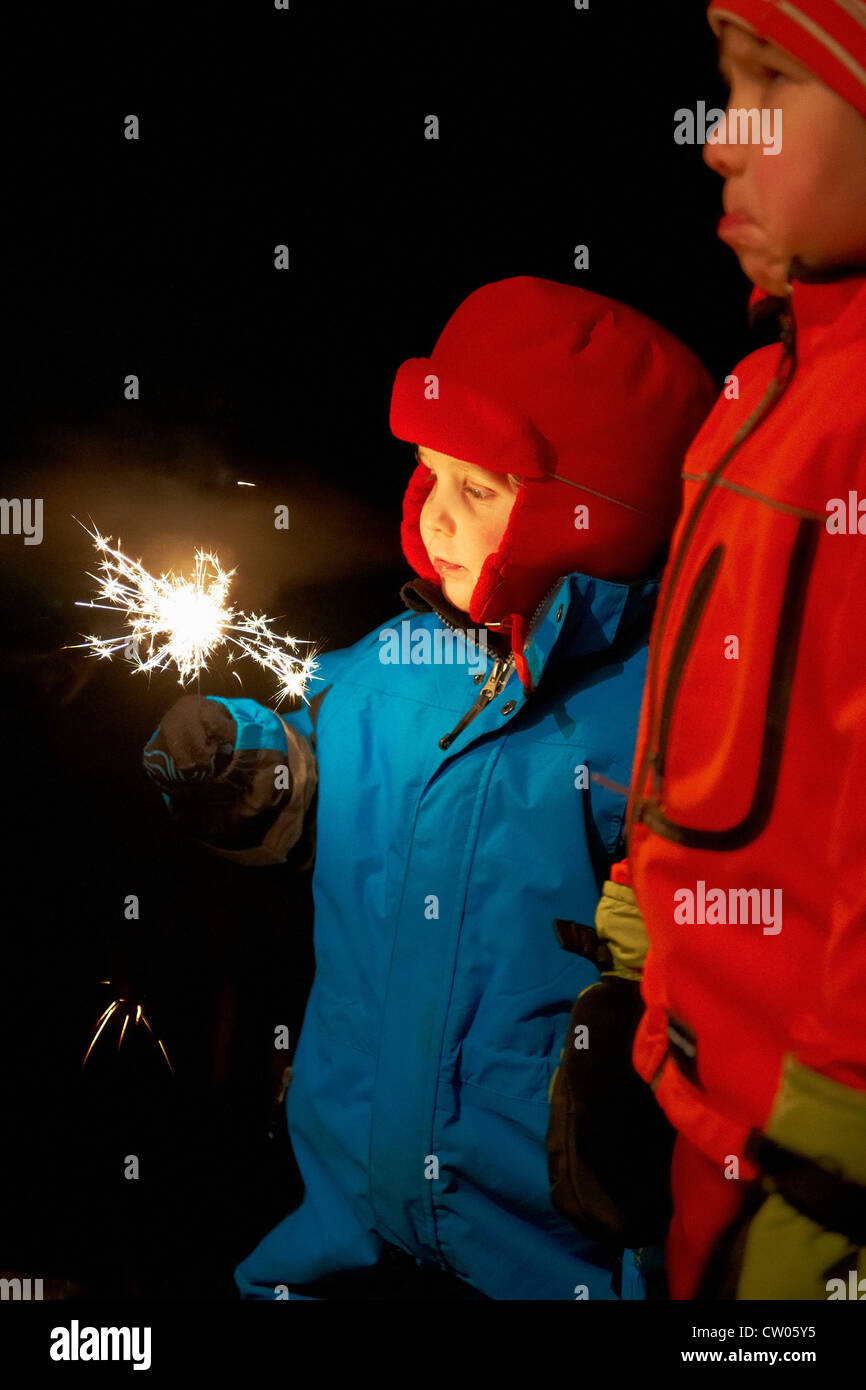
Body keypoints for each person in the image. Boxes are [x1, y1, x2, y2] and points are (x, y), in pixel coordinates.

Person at [142, 275, 715, 1300]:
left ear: (590, 512)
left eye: (478, 490)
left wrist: (657, 1067)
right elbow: (323, 770)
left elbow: (714, 935)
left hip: (549, 1249)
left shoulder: (659, 717)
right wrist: (247, 763)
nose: (434, 517)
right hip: (338, 1232)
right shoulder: (391, 665)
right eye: (426, 474)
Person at [577, 0, 866, 1301]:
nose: (715, 136)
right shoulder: (761, 391)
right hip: (707, 1107)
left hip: (810, 1154)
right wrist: (651, 935)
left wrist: (838, 1131)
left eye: (772, 78)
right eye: (720, 77)